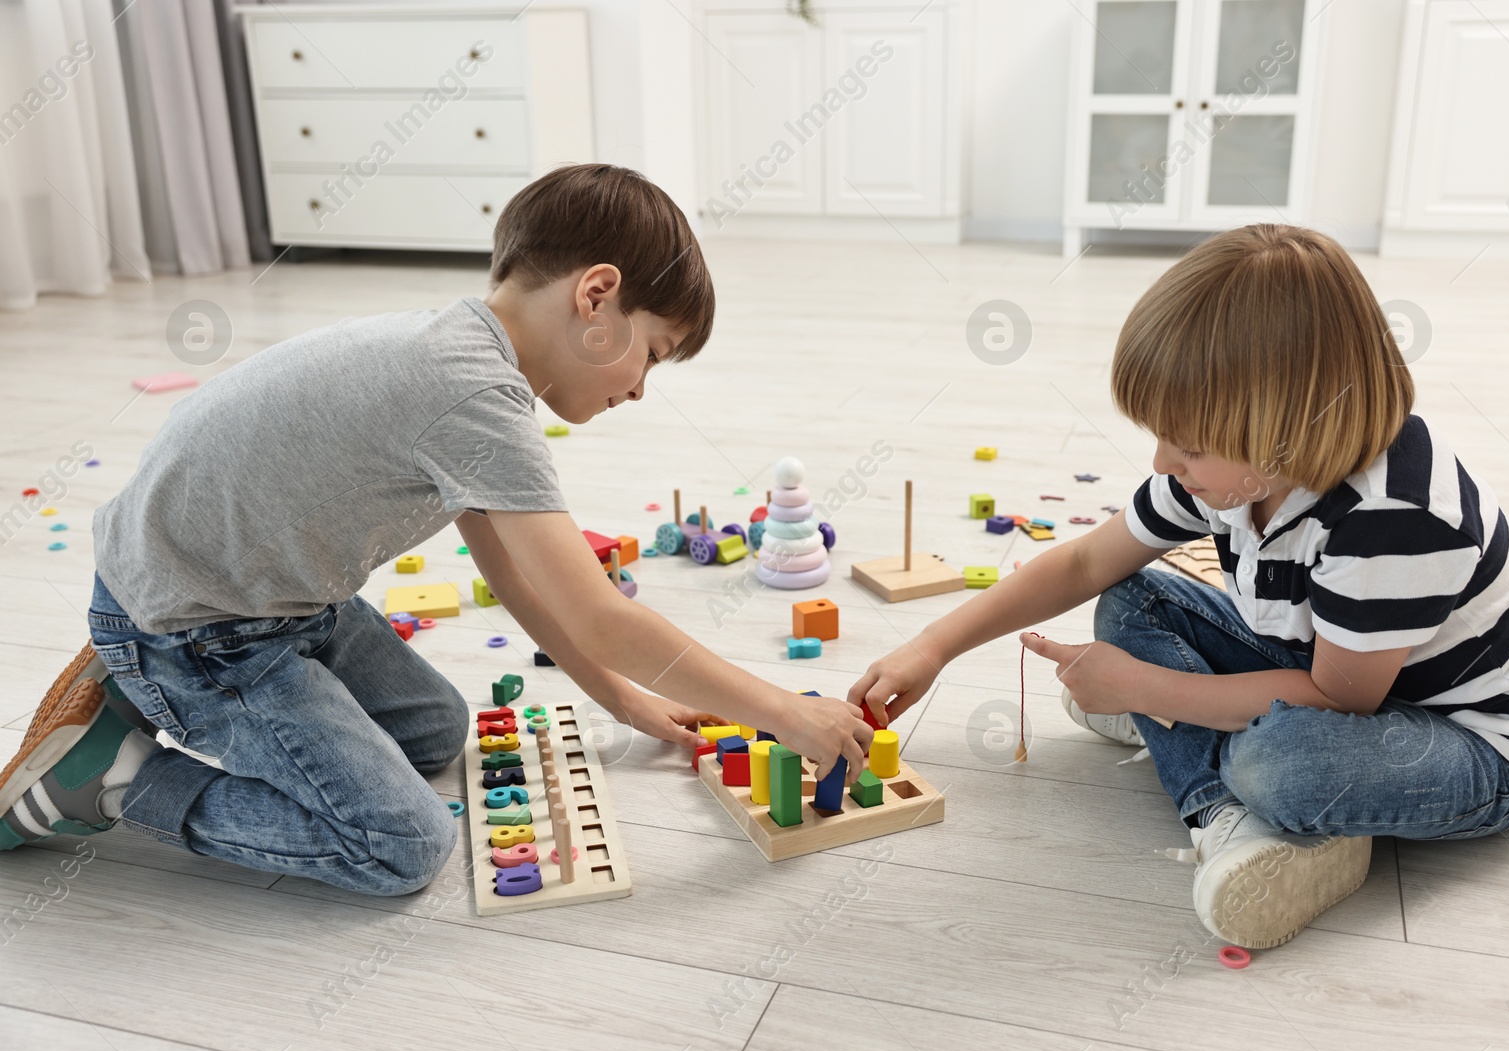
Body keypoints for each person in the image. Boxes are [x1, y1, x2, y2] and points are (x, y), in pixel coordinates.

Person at [1, 164, 874, 895]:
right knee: (400, 846)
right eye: (653, 349)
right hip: (197, 630)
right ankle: (113, 779)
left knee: (432, 728)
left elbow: (530, 584)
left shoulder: (464, 354)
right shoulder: (473, 397)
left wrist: (623, 701)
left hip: (270, 598)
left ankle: (144, 688)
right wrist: (782, 713)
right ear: (597, 294)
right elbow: (604, 617)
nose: (643, 386)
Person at [850, 224, 1509, 949]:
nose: (1164, 460)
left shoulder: (1395, 517)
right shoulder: (1232, 475)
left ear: (1282, 430)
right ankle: (1212, 773)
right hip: (1331, 669)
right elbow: (1083, 564)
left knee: (1278, 766)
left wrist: (1146, 687)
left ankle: (1222, 799)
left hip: (1476, 743)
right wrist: (933, 646)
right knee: (1134, 599)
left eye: (1188, 443)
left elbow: (1341, 698)